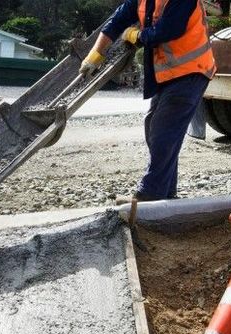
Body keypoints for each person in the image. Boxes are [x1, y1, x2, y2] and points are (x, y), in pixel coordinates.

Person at [80, 0, 216, 201]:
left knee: (163, 132)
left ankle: (150, 194)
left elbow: (167, 30)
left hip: (191, 71)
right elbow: (117, 20)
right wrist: (96, 53)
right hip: (169, 73)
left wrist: (136, 35)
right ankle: (166, 194)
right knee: (154, 127)